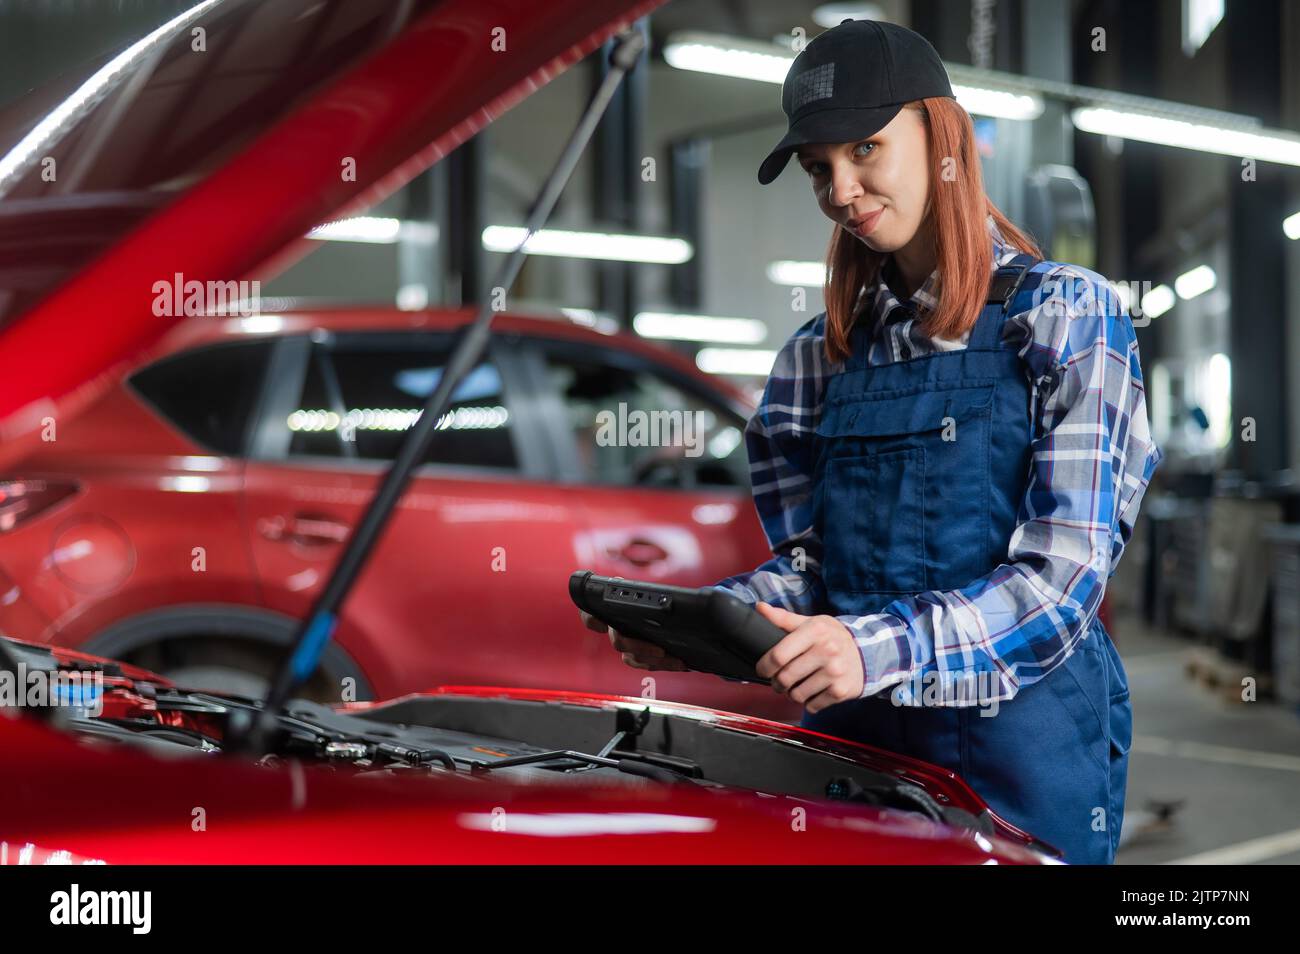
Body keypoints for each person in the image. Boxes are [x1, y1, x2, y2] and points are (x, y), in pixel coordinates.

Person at [581, 18, 1162, 865]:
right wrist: (725, 624)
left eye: (865, 150)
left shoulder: (1068, 312)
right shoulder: (818, 356)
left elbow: (1062, 579)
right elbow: (823, 565)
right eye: (819, 170)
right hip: (853, 756)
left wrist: (874, 646)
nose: (841, 191)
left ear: (942, 136)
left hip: (1019, 765)